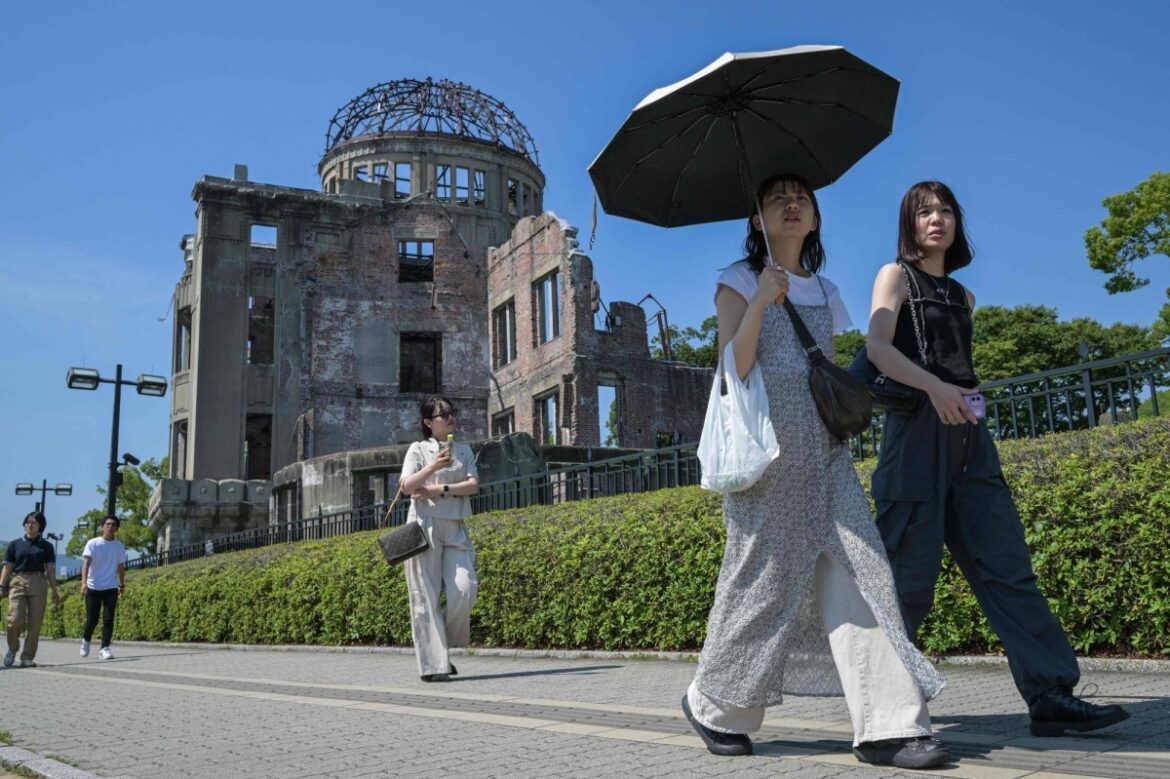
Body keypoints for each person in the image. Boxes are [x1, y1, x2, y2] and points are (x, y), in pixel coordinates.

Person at [684, 174, 950, 770]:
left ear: (816, 218)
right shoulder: (738, 279)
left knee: (864, 573)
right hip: (769, 460)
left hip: (826, 454)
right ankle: (714, 704)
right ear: (757, 219)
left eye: (802, 197)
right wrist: (759, 301)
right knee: (759, 585)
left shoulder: (826, 290)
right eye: (777, 197)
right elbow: (734, 368)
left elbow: (828, 370)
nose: (792, 205)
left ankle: (890, 725)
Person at [865, 181, 1129, 737]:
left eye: (945, 210)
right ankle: (886, 706)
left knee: (1007, 565)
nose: (936, 219)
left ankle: (1050, 693)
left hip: (969, 436)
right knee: (907, 576)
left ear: (957, 221)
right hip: (914, 433)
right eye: (924, 211)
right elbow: (878, 349)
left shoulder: (963, 296)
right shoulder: (895, 277)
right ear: (908, 224)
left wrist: (952, 395)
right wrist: (934, 387)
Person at [399, 396, 479, 682]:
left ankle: (441, 644)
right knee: (424, 596)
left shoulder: (464, 450)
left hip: (455, 526)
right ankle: (435, 666)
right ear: (428, 423)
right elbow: (407, 485)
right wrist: (432, 467)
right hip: (424, 525)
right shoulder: (418, 449)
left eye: (450, 412)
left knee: (465, 589)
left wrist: (439, 488)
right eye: (442, 414)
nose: (449, 417)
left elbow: (472, 485)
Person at [2, 511, 61, 668]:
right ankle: (12, 649)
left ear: (40, 526)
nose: (29, 525)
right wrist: (1, 586)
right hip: (18, 580)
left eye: (33, 522)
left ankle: (27, 657)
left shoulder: (46, 546)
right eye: (27, 522)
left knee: (35, 623)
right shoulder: (15, 544)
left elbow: (50, 569)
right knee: (14, 619)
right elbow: (8, 567)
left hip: (38, 582)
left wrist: (55, 590)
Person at [80, 516, 127, 660]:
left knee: (108, 618)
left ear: (117, 529)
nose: (110, 526)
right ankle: (86, 640)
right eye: (108, 524)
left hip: (110, 587)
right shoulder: (93, 543)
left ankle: (104, 648)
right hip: (93, 586)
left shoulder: (119, 546)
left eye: (114, 525)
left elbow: (120, 567)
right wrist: (84, 583)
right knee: (92, 619)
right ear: (102, 527)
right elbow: (86, 564)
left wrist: (121, 584)